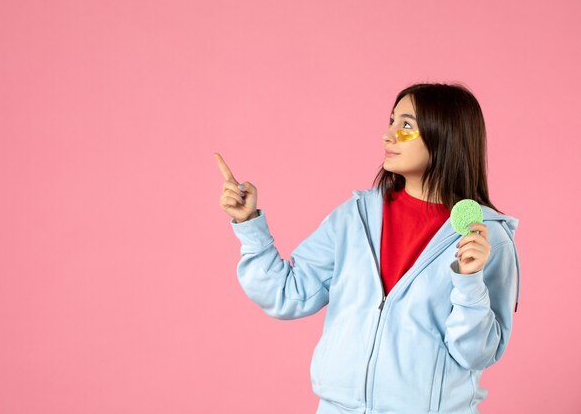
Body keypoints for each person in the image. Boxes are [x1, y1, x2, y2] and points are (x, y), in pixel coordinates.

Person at [214, 82, 520, 414]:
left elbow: (477, 353)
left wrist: (470, 280)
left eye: (405, 126)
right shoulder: (354, 218)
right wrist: (249, 226)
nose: (387, 136)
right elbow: (288, 293)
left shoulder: (485, 238)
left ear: (444, 134)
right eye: (391, 122)